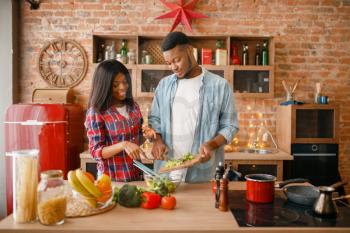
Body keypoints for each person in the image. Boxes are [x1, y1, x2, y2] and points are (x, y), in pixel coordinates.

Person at [149, 32, 239, 183]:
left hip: (203, 175)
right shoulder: (163, 85)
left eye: (176, 60)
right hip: (166, 173)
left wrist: (211, 145)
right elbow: (154, 118)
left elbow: (230, 126)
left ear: (190, 50)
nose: (173, 67)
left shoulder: (219, 85)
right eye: (168, 63)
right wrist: (157, 140)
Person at [85, 59, 155, 182]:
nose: (123, 88)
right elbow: (96, 152)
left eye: (125, 82)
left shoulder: (133, 106)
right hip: (111, 179)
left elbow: (137, 139)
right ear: (104, 86)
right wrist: (124, 145)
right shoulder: (96, 112)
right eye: (116, 85)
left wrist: (147, 135)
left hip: (135, 175)